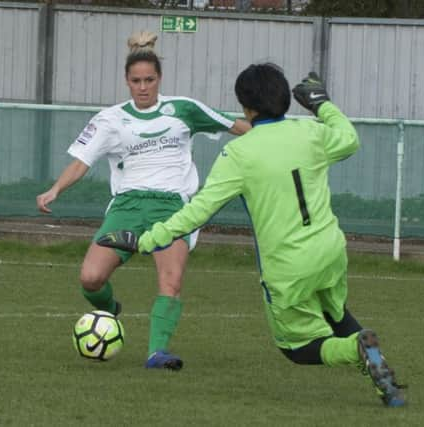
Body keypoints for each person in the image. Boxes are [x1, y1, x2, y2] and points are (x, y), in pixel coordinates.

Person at [101, 64, 406, 406]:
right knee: (336, 313)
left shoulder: (240, 153)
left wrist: (143, 240)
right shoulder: (310, 134)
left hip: (288, 266)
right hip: (330, 249)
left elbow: (197, 211)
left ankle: (356, 348)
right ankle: (384, 382)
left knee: (298, 348)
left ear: (246, 108)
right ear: (287, 101)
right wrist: (321, 103)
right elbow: (349, 138)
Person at [36, 31, 250, 371]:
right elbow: (81, 161)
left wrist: (273, 135)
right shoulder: (110, 119)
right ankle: (110, 310)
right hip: (127, 207)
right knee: (90, 279)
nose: (143, 87)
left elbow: (239, 126)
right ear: (126, 81)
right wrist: (55, 189)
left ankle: (157, 353)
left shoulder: (184, 108)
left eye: (149, 79)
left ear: (159, 79)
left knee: (171, 281)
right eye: (136, 80)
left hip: (171, 209)